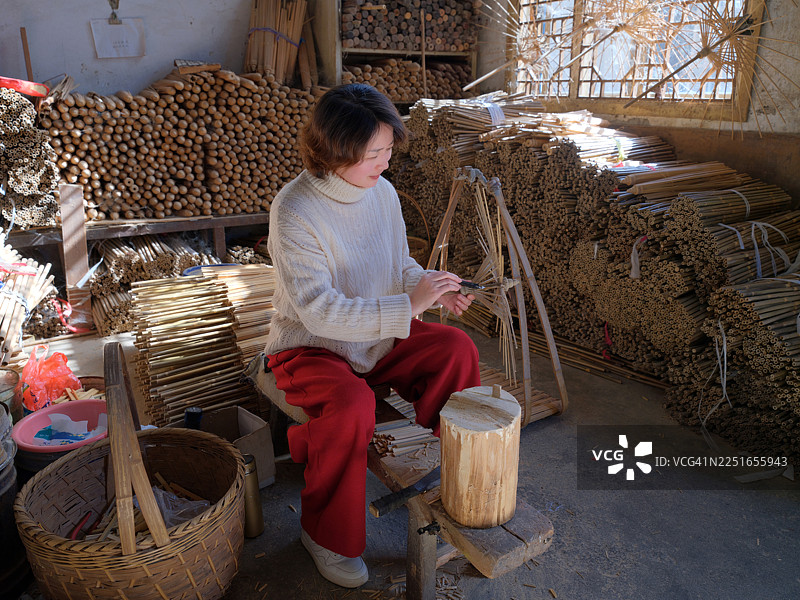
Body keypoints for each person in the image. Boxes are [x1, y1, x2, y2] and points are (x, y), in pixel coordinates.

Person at [264, 83, 481, 588]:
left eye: (388, 149)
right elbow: (318, 312)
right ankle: (325, 536)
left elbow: (396, 263)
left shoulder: (381, 193)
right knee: (351, 404)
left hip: (376, 338)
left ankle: (457, 477)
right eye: (373, 154)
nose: (385, 163)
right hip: (310, 346)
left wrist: (431, 289)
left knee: (456, 348)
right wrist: (410, 305)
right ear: (332, 153)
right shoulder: (294, 210)